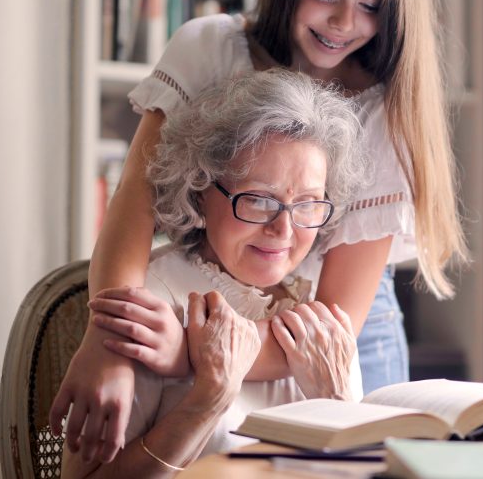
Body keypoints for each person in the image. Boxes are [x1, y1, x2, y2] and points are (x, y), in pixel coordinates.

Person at [51, 0, 468, 463]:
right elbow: (133, 207)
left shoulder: (383, 110)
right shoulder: (210, 50)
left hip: (337, 331)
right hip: (211, 300)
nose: (344, 22)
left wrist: (184, 355)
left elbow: (338, 318)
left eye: (371, 5)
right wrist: (110, 343)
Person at [60, 70, 364, 478]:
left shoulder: (321, 322)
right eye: (258, 200)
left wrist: (338, 405)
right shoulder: (151, 305)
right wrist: (206, 402)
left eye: (309, 203)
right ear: (200, 190)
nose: (284, 230)